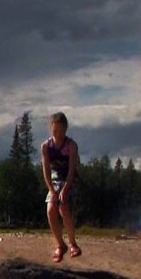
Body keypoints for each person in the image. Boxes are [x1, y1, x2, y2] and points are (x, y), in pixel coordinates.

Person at [41, 111, 81, 262]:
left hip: (69, 180)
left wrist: (64, 190)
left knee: (63, 206)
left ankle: (73, 244)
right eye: (55, 130)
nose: (58, 134)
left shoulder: (71, 145)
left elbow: (71, 170)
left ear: (66, 129)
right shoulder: (46, 146)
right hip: (54, 181)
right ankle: (60, 244)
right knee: (50, 209)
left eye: (61, 130)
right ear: (50, 128)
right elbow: (46, 171)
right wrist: (52, 190)